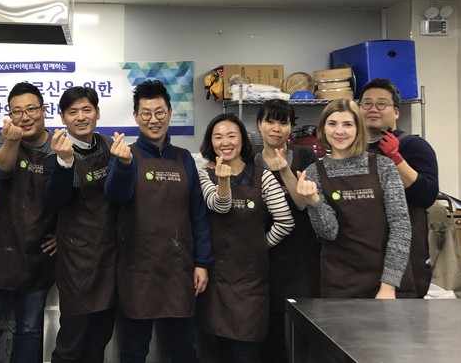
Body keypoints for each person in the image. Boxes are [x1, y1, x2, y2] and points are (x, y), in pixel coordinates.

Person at [105, 79, 212, 363]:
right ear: (135, 116)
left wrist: (202, 262)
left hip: (179, 270)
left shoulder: (184, 158)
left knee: (183, 350)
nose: (153, 120)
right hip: (137, 270)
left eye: (160, 112)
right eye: (146, 114)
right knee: (133, 351)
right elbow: (116, 195)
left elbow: (198, 214)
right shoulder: (126, 154)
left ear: (170, 113)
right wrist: (123, 166)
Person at [197, 113, 294, 363]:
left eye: (232, 135)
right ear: (210, 142)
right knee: (216, 352)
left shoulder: (263, 177)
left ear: (242, 140)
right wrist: (223, 180)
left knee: (246, 352)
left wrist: (261, 245)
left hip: (251, 282)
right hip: (216, 279)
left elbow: (285, 221)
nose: (225, 142)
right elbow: (220, 205)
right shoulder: (204, 175)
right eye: (218, 137)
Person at [0, 82, 57, 363]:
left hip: (37, 254)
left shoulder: (58, 145)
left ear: (43, 110)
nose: (25, 116)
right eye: (17, 111)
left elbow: (72, 197)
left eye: (31, 109)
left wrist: (61, 234)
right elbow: (1, 169)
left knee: (30, 330)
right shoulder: (2, 139)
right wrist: (12, 141)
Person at [297, 99, 411, 299]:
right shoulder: (314, 172)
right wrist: (314, 202)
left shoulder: (383, 166)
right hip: (339, 282)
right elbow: (329, 232)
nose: (339, 131)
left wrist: (388, 285)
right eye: (332, 124)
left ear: (358, 129)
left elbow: (400, 226)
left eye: (348, 124)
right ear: (323, 129)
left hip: (385, 279)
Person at [44, 86, 117, 363]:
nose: (81, 117)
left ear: (97, 112)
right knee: (71, 345)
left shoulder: (110, 146)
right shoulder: (55, 153)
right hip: (78, 262)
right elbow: (56, 202)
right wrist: (65, 163)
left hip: (110, 257)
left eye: (87, 110)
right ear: (63, 118)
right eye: (72, 112)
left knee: (99, 341)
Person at [359, 78, 439, 298]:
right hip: (362, 259)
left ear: (396, 112)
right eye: (367, 103)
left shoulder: (414, 146)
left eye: (381, 104)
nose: (373, 109)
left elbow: (427, 195)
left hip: (407, 259)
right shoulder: (351, 151)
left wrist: (396, 158)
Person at [254, 100, 319, 363]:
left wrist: (284, 170)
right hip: (265, 254)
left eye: (283, 122)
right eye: (270, 121)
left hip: (300, 255)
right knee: (269, 329)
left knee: (300, 326)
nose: (276, 128)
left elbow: (302, 204)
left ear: (291, 127)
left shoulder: (305, 156)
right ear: (259, 124)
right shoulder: (251, 160)